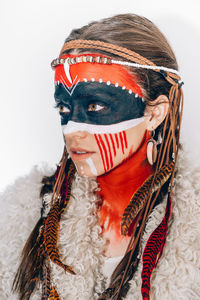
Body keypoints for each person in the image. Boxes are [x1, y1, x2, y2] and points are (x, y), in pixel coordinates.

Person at [0, 13, 200, 300]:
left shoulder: (193, 224)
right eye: (64, 109)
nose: (72, 130)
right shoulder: (24, 213)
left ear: (154, 112)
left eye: (94, 106)